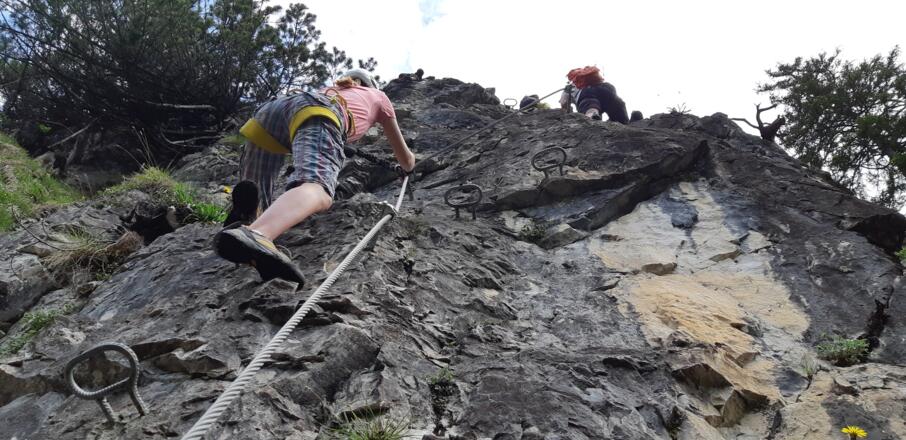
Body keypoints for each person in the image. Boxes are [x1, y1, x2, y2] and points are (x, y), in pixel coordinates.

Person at [214, 69, 416, 286]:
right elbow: (406, 160)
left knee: (261, 182)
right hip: (322, 112)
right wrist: (408, 165)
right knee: (318, 188)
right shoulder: (379, 97)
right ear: (371, 85)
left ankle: (249, 217)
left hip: (276, 111)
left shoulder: (335, 88)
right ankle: (259, 234)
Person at [559, 66, 629, 124]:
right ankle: (624, 120)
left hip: (587, 92)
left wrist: (569, 112)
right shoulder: (592, 78)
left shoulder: (569, 87)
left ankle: (592, 116)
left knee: (590, 104)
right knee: (615, 104)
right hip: (607, 88)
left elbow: (563, 102)